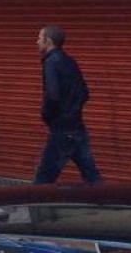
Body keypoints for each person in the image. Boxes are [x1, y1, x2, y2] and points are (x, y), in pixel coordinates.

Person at [34, 25, 102, 184]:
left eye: (39, 38)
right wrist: (74, 110)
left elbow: (52, 95)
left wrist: (46, 116)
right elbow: (85, 92)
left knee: (42, 180)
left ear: (48, 41)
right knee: (92, 177)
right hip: (77, 128)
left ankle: (35, 208)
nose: (36, 41)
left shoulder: (51, 63)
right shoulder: (70, 61)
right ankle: (109, 203)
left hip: (61, 130)